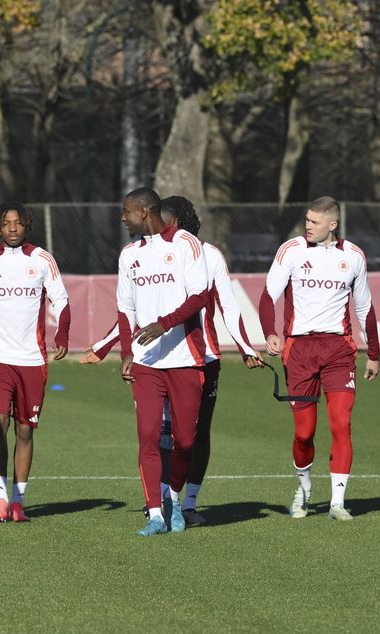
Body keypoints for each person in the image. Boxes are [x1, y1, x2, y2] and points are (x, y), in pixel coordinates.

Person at [83, 196, 262, 525]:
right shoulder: (135, 255)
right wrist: (109, 346)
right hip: (151, 360)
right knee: (156, 433)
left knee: (194, 435)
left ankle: (188, 502)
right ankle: (161, 501)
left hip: (201, 356)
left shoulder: (205, 254)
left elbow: (227, 305)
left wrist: (246, 346)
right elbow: (132, 312)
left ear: (174, 221)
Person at [259, 196, 380, 522]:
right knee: (304, 433)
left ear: (333, 224)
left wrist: (374, 353)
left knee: (341, 424)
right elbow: (268, 295)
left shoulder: (353, 256)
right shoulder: (291, 250)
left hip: (339, 351)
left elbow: (365, 308)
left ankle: (338, 502)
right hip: (299, 351)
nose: (307, 226)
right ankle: (304, 489)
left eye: (314, 221)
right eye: (307, 220)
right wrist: (270, 331)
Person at [0, 202, 71, 523]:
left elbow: (61, 299)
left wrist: (62, 333)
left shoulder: (41, 260)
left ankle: (18, 500)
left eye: (18, 223)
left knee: (25, 430)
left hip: (32, 361)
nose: (12, 228)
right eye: (6, 223)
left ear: (27, 226)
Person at [116, 187, 210, 536]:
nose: (123, 218)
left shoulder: (186, 244)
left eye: (127, 211)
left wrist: (163, 324)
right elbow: (125, 309)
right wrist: (127, 351)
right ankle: (155, 513)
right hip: (146, 363)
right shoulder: (129, 255)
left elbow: (200, 295)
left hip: (185, 357)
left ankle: (172, 498)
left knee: (185, 441)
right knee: (149, 437)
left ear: (144, 211)